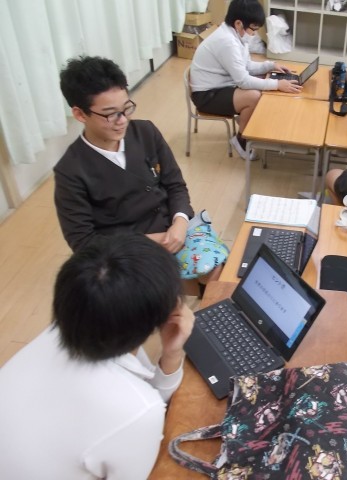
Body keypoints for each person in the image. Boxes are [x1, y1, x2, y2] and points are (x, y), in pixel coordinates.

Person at [0, 235, 195, 479]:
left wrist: (171, 354)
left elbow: (141, 398)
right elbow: (140, 410)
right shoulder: (134, 411)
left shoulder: (68, 328)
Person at [54, 55, 226, 287]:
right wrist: (153, 240)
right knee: (151, 294)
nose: (122, 120)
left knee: (217, 270)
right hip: (122, 254)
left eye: (126, 108)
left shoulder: (145, 132)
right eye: (110, 114)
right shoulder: (71, 171)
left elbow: (175, 185)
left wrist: (180, 222)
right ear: (80, 114)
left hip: (174, 231)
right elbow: (83, 242)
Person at [190, 0, 302, 161]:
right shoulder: (227, 42)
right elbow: (243, 81)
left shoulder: (236, 35)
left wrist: (270, 66)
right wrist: (277, 84)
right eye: (253, 29)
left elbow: (247, 65)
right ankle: (241, 140)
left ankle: (247, 121)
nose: (254, 34)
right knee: (254, 96)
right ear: (238, 23)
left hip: (222, 86)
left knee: (262, 82)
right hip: (206, 95)